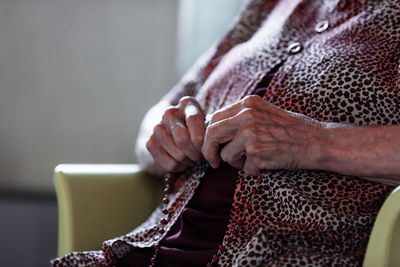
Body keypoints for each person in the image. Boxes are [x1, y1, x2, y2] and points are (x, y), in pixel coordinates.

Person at [52, 0, 400, 266]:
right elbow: (163, 111)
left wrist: (311, 141)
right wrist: (165, 136)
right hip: (153, 250)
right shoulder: (269, 6)